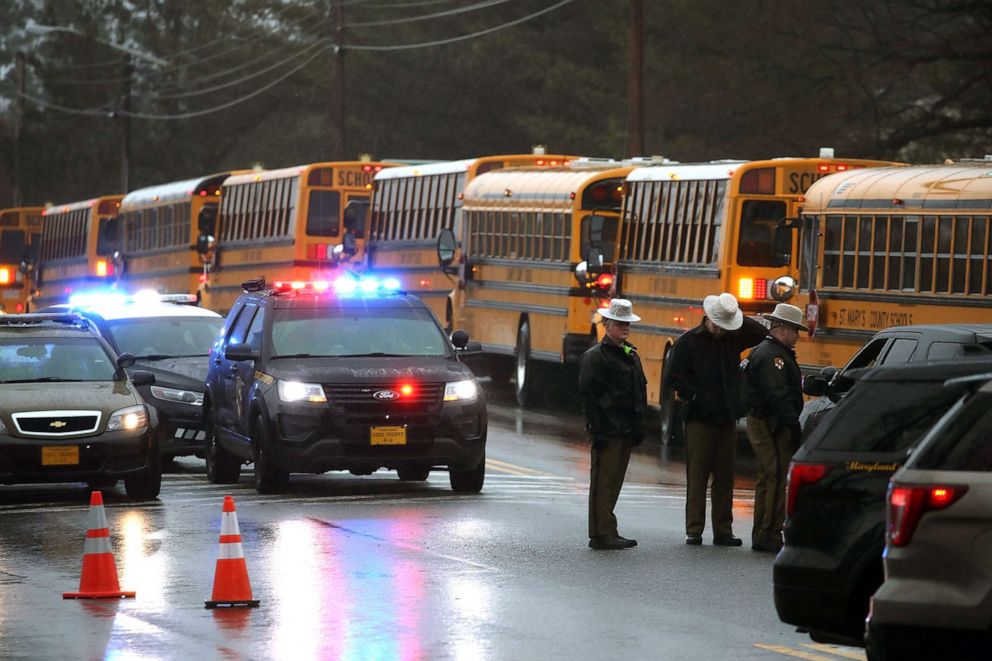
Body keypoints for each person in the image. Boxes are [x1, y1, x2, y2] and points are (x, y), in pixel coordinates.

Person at [665, 292, 766, 546]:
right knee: (697, 475)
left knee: (725, 475)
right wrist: (694, 396)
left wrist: (737, 315)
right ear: (708, 318)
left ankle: (723, 530)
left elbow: (760, 334)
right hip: (699, 417)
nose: (722, 330)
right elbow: (673, 376)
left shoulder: (731, 339)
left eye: (726, 325)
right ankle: (694, 529)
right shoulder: (688, 342)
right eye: (720, 324)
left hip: (726, 415)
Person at [579, 298, 648, 550]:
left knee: (614, 482)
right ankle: (600, 533)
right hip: (607, 429)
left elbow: (638, 392)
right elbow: (589, 397)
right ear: (607, 324)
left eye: (627, 323)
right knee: (603, 482)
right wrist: (596, 430)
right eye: (620, 323)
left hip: (625, 430)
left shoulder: (631, 355)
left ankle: (608, 529)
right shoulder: (595, 357)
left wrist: (639, 425)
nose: (625, 327)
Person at [743, 303, 807, 553]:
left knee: (773, 477)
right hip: (770, 423)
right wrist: (792, 423)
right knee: (774, 477)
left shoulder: (769, 352)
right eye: (795, 331)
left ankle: (767, 531)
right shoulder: (774, 357)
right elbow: (777, 394)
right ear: (782, 329)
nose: (797, 337)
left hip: (767, 421)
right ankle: (766, 533)